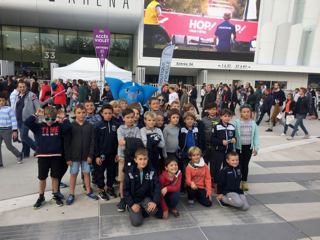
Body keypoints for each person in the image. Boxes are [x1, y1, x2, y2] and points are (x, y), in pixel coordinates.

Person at [24, 107, 72, 209]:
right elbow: (27, 122)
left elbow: (69, 126)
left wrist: (64, 117)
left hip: (56, 156)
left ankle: (56, 194)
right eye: (47, 118)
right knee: (42, 177)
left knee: (55, 177)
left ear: (56, 118)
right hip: (43, 157)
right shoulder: (38, 126)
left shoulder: (59, 126)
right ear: (43, 117)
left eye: (53, 119)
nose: (50, 121)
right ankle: (41, 197)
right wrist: (36, 115)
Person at [64, 104, 98, 204]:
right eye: (79, 113)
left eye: (83, 112)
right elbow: (67, 142)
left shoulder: (90, 126)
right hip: (74, 156)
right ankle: (71, 194)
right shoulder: (71, 126)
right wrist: (68, 157)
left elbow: (93, 141)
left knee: (87, 173)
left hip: (86, 156)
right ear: (74, 114)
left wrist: (90, 155)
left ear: (86, 113)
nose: (81, 114)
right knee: (73, 174)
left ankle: (88, 191)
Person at [123, 148, 161, 226]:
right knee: (137, 223)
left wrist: (154, 201)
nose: (143, 161)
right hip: (134, 199)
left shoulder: (152, 171)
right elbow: (125, 190)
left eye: (145, 159)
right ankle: (131, 208)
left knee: (154, 210)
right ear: (135, 160)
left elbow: (157, 187)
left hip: (145, 198)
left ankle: (143, 208)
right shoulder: (130, 173)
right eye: (140, 159)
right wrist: (131, 204)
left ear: (148, 159)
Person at [117, 108, 141, 211]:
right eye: (128, 117)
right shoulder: (120, 129)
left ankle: (133, 197)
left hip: (135, 158)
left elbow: (139, 144)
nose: (130, 119)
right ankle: (122, 199)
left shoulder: (136, 129)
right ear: (123, 118)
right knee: (122, 179)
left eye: (132, 117)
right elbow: (121, 145)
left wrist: (127, 142)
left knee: (134, 178)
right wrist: (133, 142)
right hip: (123, 158)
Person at [95, 104, 119, 201]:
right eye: (105, 113)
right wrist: (96, 156)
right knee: (100, 172)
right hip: (102, 154)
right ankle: (101, 189)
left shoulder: (116, 125)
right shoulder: (98, 127)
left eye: (110, 113)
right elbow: (96, 142)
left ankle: (109, 187)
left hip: (113, 153)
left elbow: (119, 140)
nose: (108, 115)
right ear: (102, 114)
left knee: (111, 171)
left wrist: (118, 153)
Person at [233, 104, 259, 191]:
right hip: (238, 148)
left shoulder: (253, 123)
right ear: (240, 112)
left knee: (245, 165)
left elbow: (255, 136)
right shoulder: (236, 123)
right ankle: (238, 181)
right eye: (244, 112)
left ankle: (244, 181)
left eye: (248, 112)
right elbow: (233, 136)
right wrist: (233, 149)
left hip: (248, 147)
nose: (246, 113)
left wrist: (256, 147)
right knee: (238, 165)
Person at [211, 109, 236, 193]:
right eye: (225, 116)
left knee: (227, 167)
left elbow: (234, 137)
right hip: (219, 151)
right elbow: (212, 139)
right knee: (217, 168)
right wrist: (221, 142)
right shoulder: (216, 127)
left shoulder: (232, 127)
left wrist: (234, 139)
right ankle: (217, 183)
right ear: (220, 117)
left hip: (228, 152)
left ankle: (225, 183)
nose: (227, 118)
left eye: (229, 116)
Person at [12, 80, 39, 158]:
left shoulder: (32, 95)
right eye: (20, 87)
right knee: (24, 136)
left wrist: (39, 117)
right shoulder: (17, 96)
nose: (22, 88)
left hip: (28, 119)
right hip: (19, 119)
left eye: (23, 87)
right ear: (18, 87)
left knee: (23, 136)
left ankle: (38, 149)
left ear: (26, 87)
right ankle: (25, 152)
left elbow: (37, 107)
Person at [178, 112, 202, 194]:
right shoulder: (182, 129)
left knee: (195, 171)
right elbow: (181, 142)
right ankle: (183, 187)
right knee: (184, 171)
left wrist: (200, 151)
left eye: (191, 119)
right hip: (185, 154)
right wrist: (181, 152)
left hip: (195, 154)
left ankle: (193, 185)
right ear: (184, 120)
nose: (189, 121)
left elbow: (199, 141)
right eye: (187, 119)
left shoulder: (196, 129)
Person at [0, 93, 23, 167]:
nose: (2, 102)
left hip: (7, 130)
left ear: (6, 101)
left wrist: (15, 130)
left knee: (9, 146)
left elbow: (13, 120)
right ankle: (0, 163)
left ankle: (19, 154)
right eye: (0, 100)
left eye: (3, 100)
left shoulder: (8, 109)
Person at [201, 102, 220, 186]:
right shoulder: (203, 120)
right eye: (210, 110)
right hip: (205, 145)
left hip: (215, 146)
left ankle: (212, 178)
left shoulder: (219, 119)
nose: (212, 111)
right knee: (204, 163)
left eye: (214, 109)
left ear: (216, 110)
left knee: (214, 163)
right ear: (207, 110)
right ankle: (205, 178)